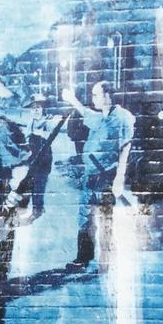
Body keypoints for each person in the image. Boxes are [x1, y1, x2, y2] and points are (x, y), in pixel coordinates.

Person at [62, 80, 134, 272]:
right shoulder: (100, 116)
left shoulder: (123, 118)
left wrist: (119, 178)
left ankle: (108, 261)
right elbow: (85, 113)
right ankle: (83, 258)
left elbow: (125, 148)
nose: (93, 98)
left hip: (106, 177)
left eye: (96, 94)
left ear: (107, 95)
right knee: (84, 218)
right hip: (90, 176)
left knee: (106, 218)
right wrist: (72, 100)